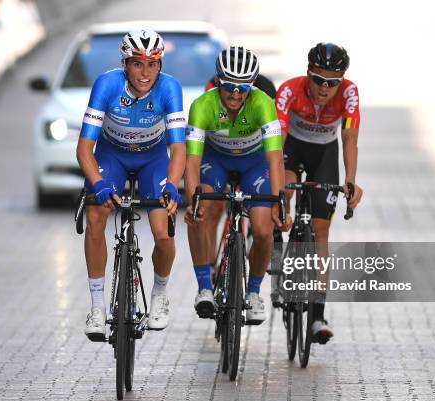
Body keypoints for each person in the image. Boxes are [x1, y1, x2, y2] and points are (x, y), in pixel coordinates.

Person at [76, 29, 186, 340]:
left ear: (160, 65)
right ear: (125, 63)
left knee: (163, 231)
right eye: (138, 64)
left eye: (152, 65)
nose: (145, 73)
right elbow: (85, 148)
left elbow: (178, 148)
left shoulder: (169, 88)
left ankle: (159, 294)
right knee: (96, 216)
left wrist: (173, 186)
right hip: (112, 156)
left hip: (153, 160)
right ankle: (98, 307)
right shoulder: (107, 85)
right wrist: (98, 185)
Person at [184, 46, 291, 325]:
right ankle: (205, 287)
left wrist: (280, 202)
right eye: (228, 86)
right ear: (218, 80)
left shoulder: (264, 104)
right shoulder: (202, 106)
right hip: (215, 160)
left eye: (242, 88)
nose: (234, 94)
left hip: (254, 164)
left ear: (252, 85)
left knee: (264, 230)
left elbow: (275, 159)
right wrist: (192, 200)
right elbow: (192, 162)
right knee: (200, 212)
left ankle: (254, 293)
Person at [275, 42, 363, 343]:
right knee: (283, 192)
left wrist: (350, 181)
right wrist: (277, 193)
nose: (325, 88)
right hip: (292, 149)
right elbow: (277, 140)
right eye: (319, 80)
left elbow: (349, 138)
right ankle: (277, 245)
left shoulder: (349, 93)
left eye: (333, 83)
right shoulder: (289, 91)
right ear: (308, 73)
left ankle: (317, 316)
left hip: (325, 153)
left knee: (321, 231)